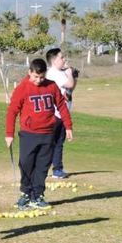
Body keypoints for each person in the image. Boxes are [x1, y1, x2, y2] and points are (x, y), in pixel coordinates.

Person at [5, 59, 74, 210]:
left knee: (42, 166)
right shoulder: (22, 88)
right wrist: (9, 134)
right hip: (29, 134)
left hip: (48, 133)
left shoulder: (51, 86)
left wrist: (68, 126)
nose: (38, 80)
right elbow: (12, 112)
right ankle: (26, 194)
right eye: (35, 77)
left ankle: (38, 195)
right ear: (29, 72)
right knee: (26, 164)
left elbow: (62, 106)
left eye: (41, 77)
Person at [46, 47, 78, 179]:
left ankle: (57, 169)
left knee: (59, 142)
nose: (64, 59)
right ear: (54, 60)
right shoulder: (53, 73)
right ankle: (48, 168)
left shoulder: (61, 72)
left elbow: (71, 88)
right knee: (51, 143)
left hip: (63, 113)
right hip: (55, 113)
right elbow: (69, 84)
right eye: (61, 57)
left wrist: (73, 76)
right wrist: (70, 73)